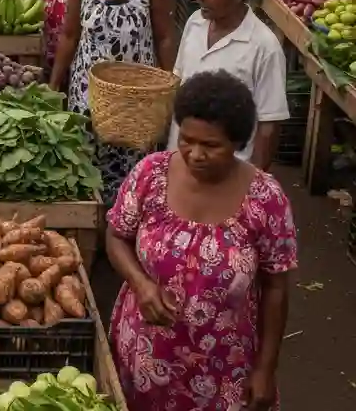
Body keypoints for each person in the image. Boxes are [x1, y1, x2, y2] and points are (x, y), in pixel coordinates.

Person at [106, 70, 297, 411]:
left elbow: (276, 287)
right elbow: (117, 236)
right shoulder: (151, 174)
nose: (195, 154)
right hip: (146, 355)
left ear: (238, 143)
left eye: (210, 145)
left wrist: (266, 369)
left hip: (224, 366)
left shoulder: (265, 198)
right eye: (186, 139)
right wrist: (141, 284)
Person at [51, 0, 176, 201]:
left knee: (134, 178)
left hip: (137, 100)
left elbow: (165, 37)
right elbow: (69, 36)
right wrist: (55, 84)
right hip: (89, 95)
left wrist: (171, 86)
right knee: (88, 169)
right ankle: (94, 237)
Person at [171, 0, 289, 170]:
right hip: (180, 162)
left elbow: (269, 124)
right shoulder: (195, 23)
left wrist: (253, 185)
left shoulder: (264, 47)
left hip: (227, 172)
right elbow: (178, 83)